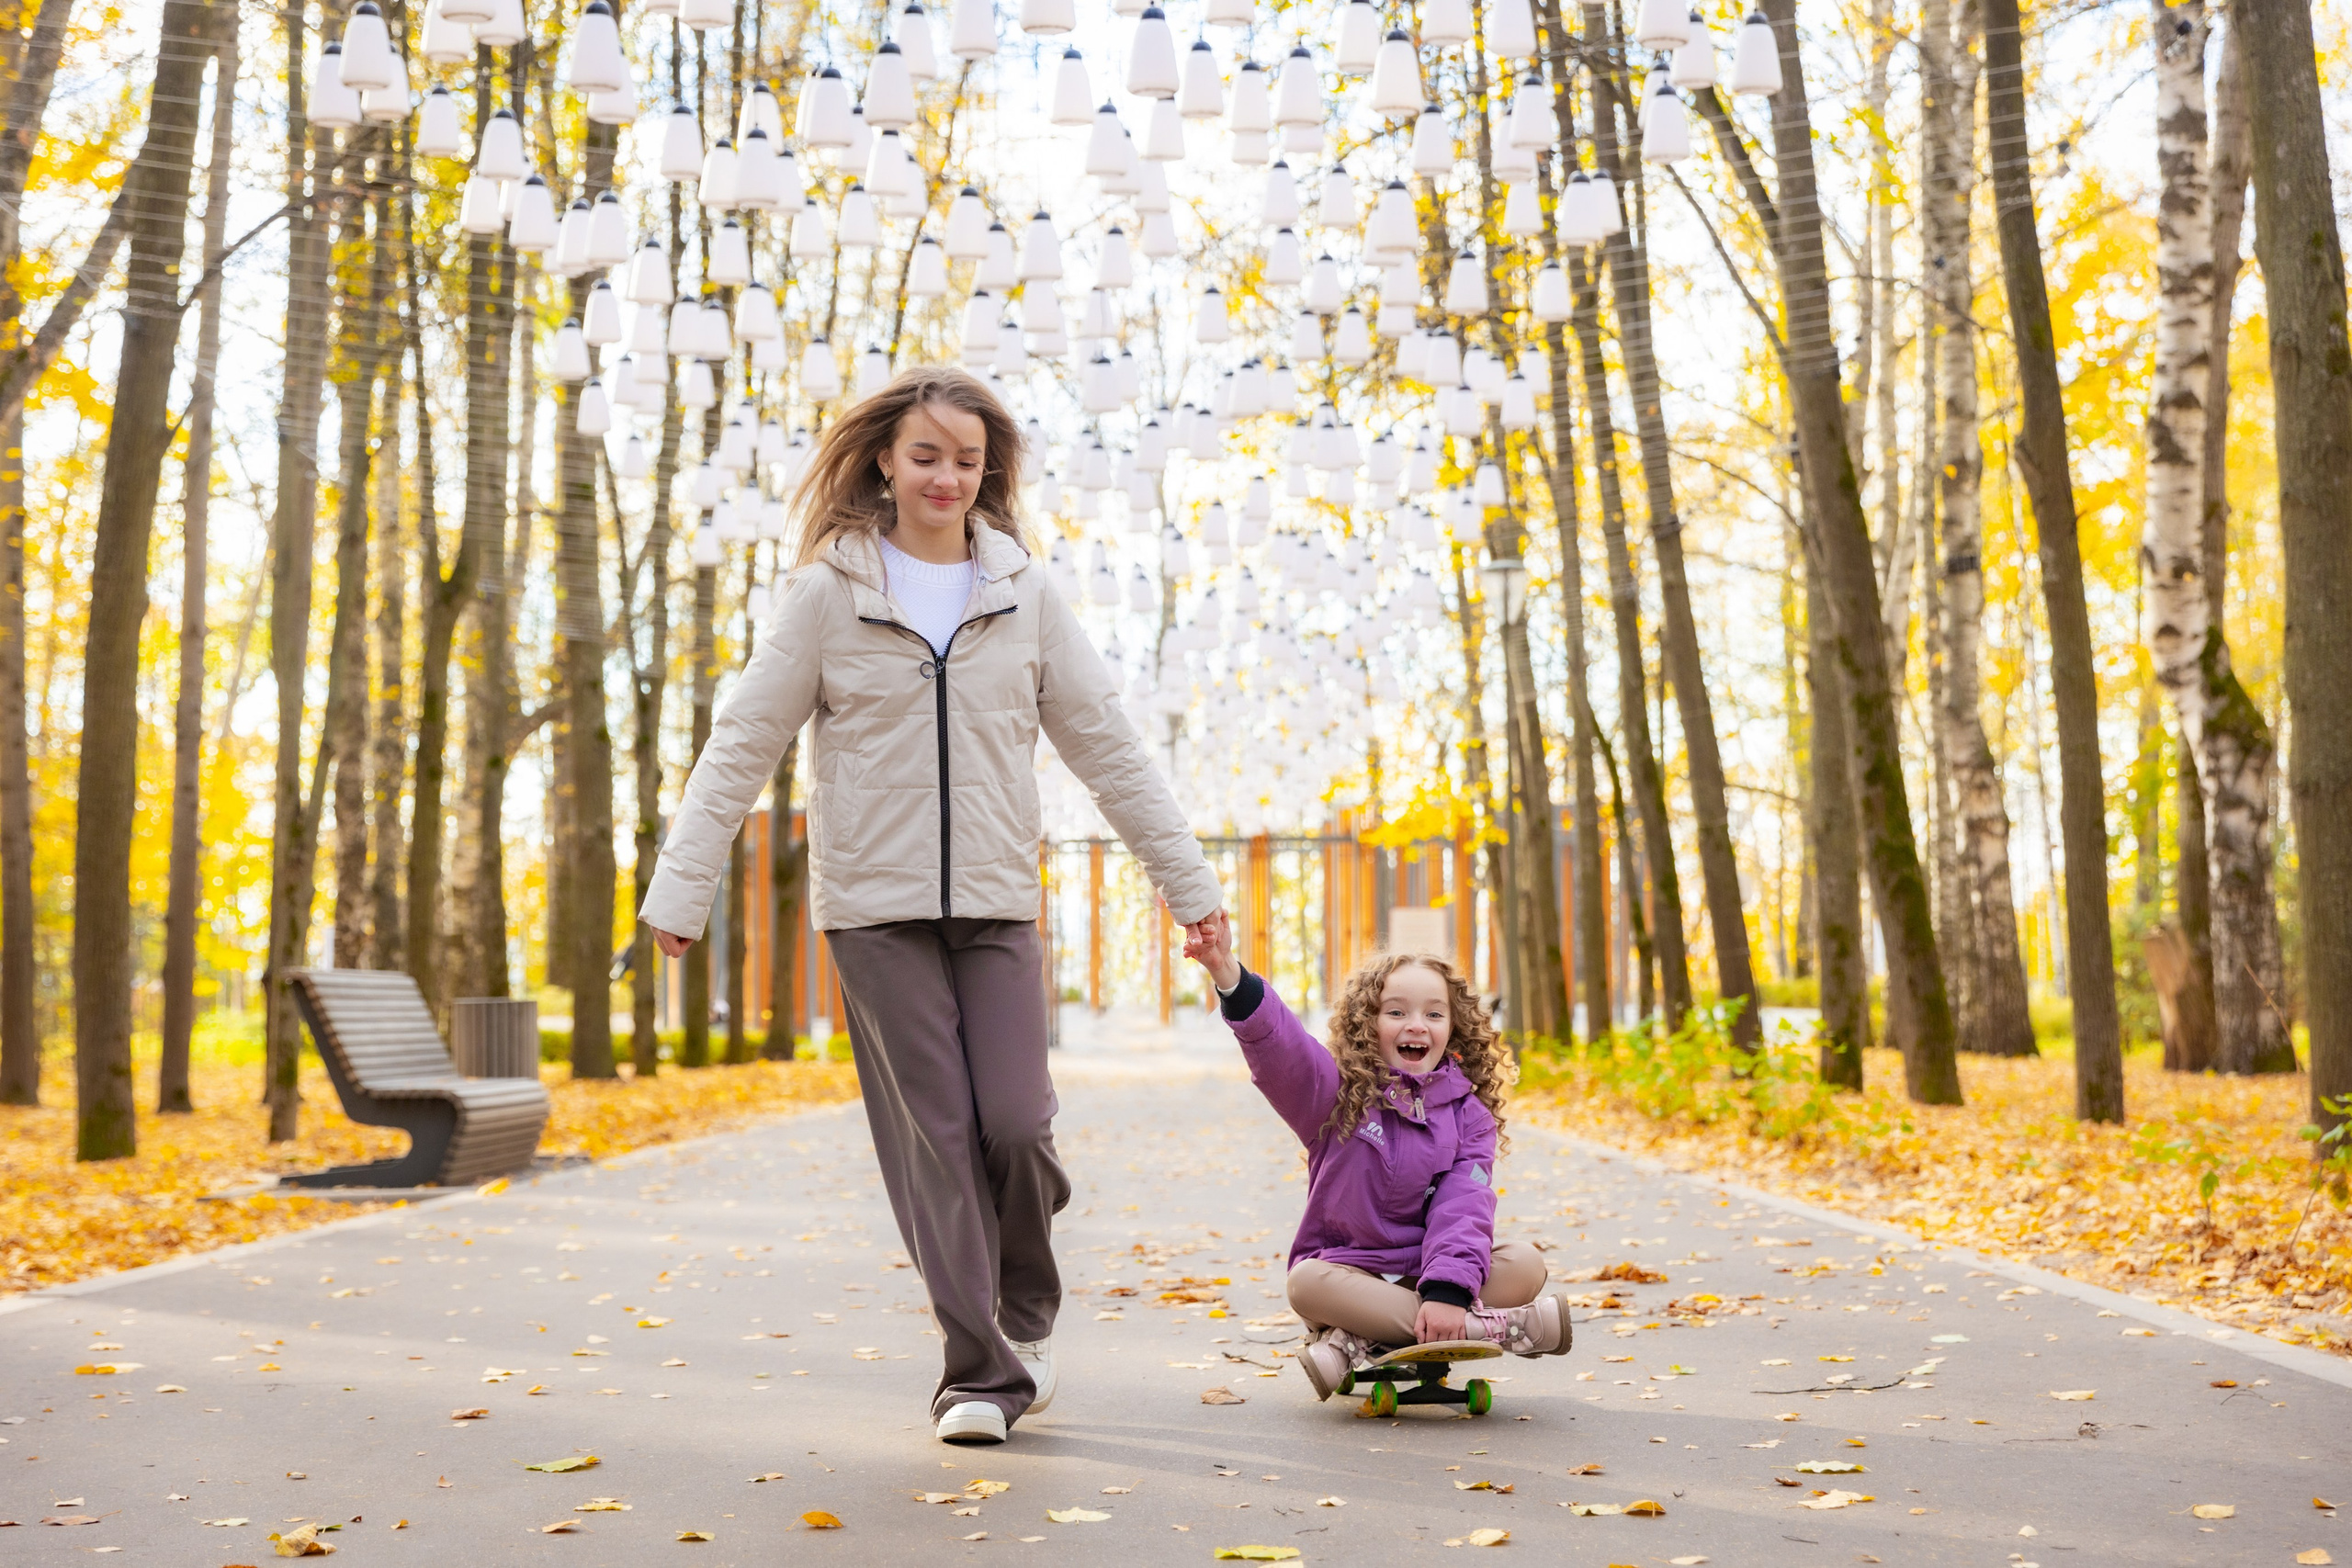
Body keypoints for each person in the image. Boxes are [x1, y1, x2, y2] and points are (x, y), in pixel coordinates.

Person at [640, 367, 1223, 1446]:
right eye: (926, 456)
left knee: (1016, 1125)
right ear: (883, 464)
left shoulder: (1025, 592)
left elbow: (1109, 749)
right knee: (938, 1140)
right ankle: (978, 1376)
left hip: (997, 899)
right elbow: (741, 746)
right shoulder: (829, 591)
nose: (947, 476)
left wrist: (1192, 890)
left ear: (987, 470)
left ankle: (1025, 1311)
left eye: (967, 459)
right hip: (874, 909)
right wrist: (685, 888)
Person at [1183, 913, 1573, 1398]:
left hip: (1427, 1273)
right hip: (1347, 1277)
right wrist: (1227, 972)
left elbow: (1463, 1204)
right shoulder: (1334, 1093)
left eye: (1434, 1014)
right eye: (1396, 1012)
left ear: (1453, 1028)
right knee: (1305, 1282)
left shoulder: (1468, 1115)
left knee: (1525, 1263)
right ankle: (1489, 1329)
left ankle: (1356, 1342)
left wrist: (1446, 1291)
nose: (1417, 1025)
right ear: (1369, 1023)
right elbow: (1282, 1048)